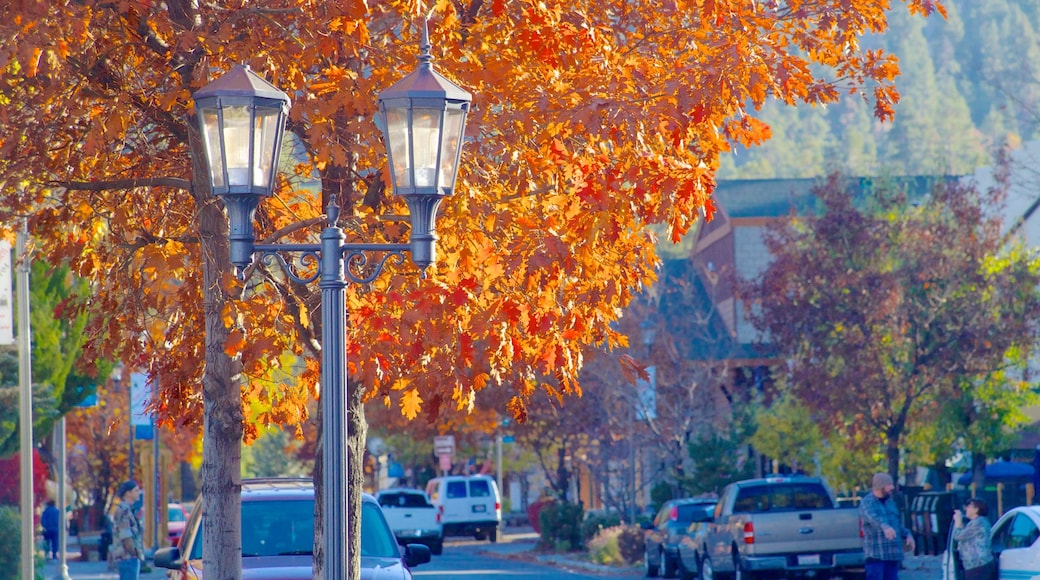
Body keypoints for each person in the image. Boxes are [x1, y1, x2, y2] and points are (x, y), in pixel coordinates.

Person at [859, 472, 915, 580]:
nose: (892, 488)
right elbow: (872, 518)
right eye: (889, 485)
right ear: (881, 486)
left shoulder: (890, 502)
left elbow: (896, 524)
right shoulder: (867, 503)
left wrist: (907, 534)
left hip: (893, 556)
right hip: (877, 557)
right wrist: (885, 527)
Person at [952, 498, 996, 580]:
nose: (966, 508)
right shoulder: (975, 523)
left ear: (976, 509)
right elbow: (965, 536)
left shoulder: (978, 523)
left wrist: (957, 520)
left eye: (969, 506)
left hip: (978, 565)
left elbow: (958, 536)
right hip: (976, 566)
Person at [109, 480, 144, 580]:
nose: (139, 493)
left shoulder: (129, 509)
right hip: (127, 558)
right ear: (128, 493)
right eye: (136, 490)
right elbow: (126, 536)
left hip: (129, 558)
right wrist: (134, 553)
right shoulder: (123, 511)